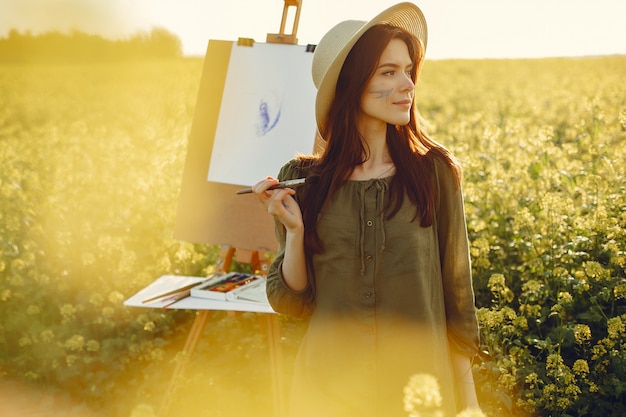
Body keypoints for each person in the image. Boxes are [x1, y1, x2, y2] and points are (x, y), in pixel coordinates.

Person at [252, 3, 480, 416]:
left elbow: (457, 303)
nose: (408, 84)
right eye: (388, 72)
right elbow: (293, 302)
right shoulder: (304, 181)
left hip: (420, 396)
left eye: (409, 70)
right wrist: (296, 232)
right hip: (328, 394)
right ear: (349, 86)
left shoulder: (434, 173)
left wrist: (470, 406)